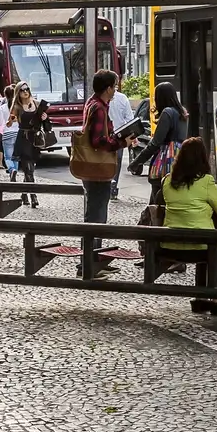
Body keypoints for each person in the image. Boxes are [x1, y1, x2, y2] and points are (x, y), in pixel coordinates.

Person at [159, 136, 217, 314]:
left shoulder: (167, 180)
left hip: (171, 246)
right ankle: (216, 297)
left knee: (206, 242)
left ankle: (200, 298)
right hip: (202, 247)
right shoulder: (206, 181)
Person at [70, 70, 124, 277]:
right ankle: (87, 265)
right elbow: (98, 141)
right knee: (95, 217)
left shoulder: (93, 104)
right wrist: (120, 143)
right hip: (96, 170)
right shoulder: (99, 108)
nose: (115, 91)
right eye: (115, 87)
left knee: (97, 214)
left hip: (93, 171)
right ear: (108, 88)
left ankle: (95, 258)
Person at [141, 83, 188, 180]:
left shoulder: (167, 112)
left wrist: (137, 162)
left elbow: (155, 143)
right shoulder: (182, 112)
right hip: (180, 158)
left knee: (159, 190)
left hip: (166, 159)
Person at [12, 85, 47, 207]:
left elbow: (46, 125)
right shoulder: (17, 107)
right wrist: (11, 120)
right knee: (29, 168)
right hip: (23, 139)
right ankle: (33, 196)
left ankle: (23, 193)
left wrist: (45, 118)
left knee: (29, 168)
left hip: (34, 139)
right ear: (18, 93)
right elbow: (10, 120)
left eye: (27, 89)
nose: (25, 92)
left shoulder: (37, 104)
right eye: (22, 90)